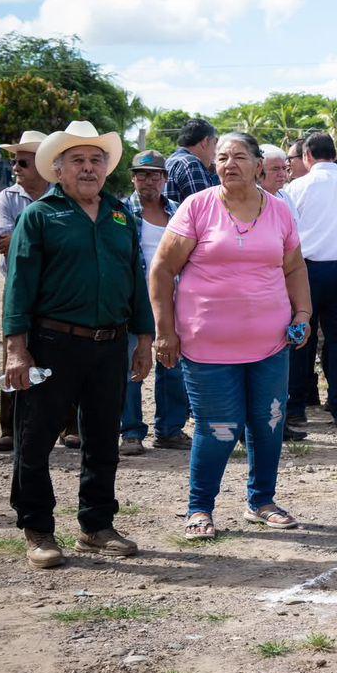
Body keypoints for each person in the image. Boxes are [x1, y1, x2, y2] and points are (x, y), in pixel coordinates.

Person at [2, 122, 152, 568]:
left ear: (106, 169)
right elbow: (20, 287)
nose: (88, 169)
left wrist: (144, 339)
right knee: (35, 439)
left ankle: (97, 525)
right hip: (52, 344)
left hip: (109, 346)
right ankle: (38, 530)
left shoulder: (121, 216)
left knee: (104, 437)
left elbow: (135, 282)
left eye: (96, 161)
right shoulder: (40, 215)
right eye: (78, 161)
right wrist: (16, 348)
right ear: (59, 169)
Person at [151, 132, 311, 539]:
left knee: (269, 421)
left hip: (272, 342)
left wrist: (304, 313)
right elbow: (162, 270)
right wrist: (164, 332)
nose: (229, 164)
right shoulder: (197, 208)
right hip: (208, 346)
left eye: (239, 156)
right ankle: (199, 508)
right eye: (222, 157)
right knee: (217, 426)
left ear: (258, 164)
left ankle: (262, 501)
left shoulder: (278, 211)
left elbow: (293, 268)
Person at [281, 132, 337, 430]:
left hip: (307, 270)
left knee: (301, 338)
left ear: (307, 157)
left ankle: (296, 407)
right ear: (334, 154)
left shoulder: (297, 186)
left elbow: (290, 231)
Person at [120, 151, 190, 455]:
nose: (148, 180)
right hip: (132, 300)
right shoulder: (120, 212)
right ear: (133, 178)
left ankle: (169, 430)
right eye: (142, 174)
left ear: (164, 179)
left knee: (172, 365)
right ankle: (131, 433)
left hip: (172, 300)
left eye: (154, 175)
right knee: (131, 366)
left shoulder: (178, 211)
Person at [0, 130, 48, 453]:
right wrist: (46, 240)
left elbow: (17, 242)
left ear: (41, 164)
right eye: (15, 162)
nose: (16, 168)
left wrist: (23, 239)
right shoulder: (7, 197)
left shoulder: (61, 193)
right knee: (13, 353)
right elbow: (2, 243)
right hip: (17, 287)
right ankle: (9, 428)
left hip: (55, 289)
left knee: (60, 354)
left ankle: (68, 425)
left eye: (23, 162)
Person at [164, 117, 219, 204]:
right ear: (205, 142)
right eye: (215, 142)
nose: (216, 150)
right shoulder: (191, 164)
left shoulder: (169, 161)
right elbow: (206, 209)